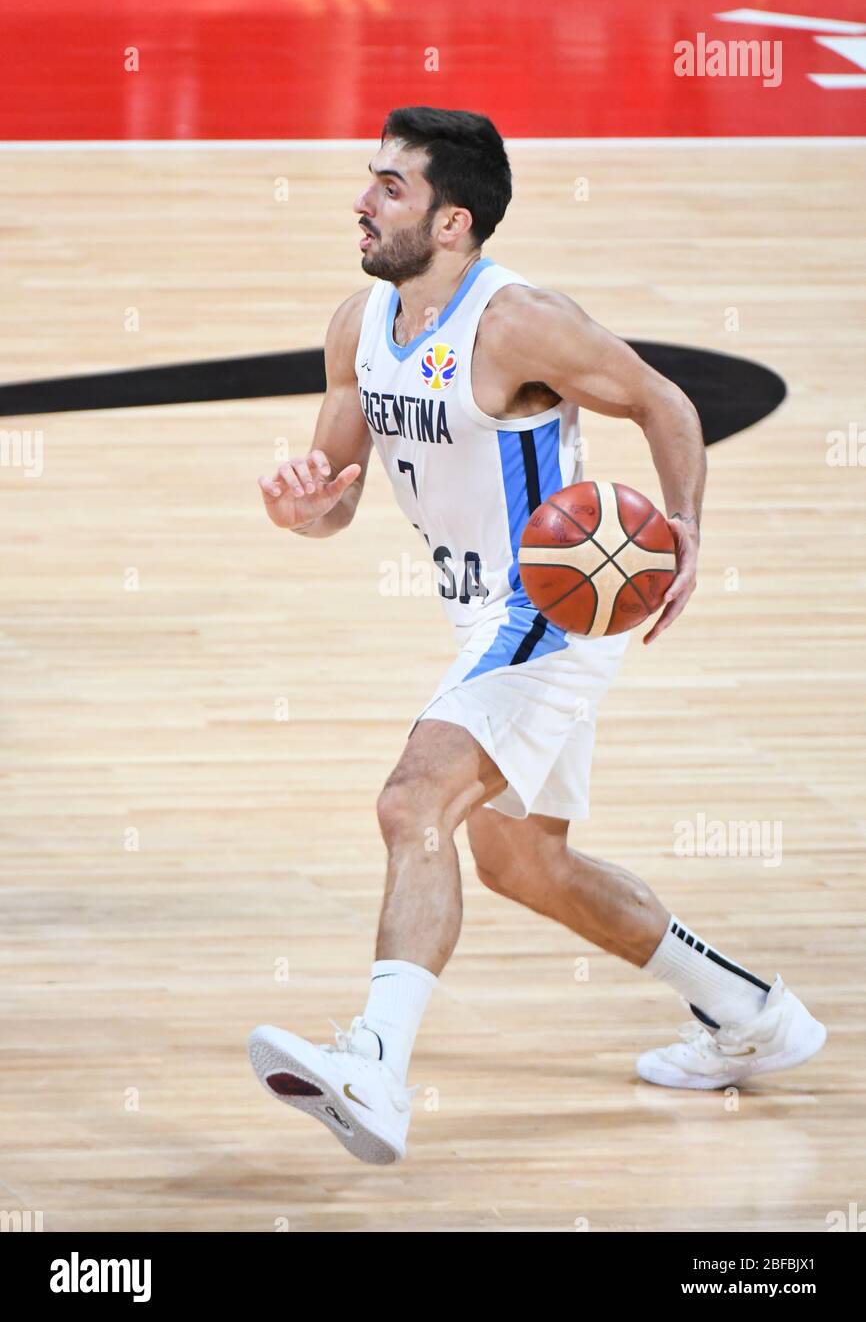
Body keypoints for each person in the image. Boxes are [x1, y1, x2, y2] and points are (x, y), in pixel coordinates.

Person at [248, 107, 825, 1165]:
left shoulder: (517, 323)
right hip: (477, 614)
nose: (361, 202)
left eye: (389, 187)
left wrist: (684, 525)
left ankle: (375, 1066)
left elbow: (660, 398)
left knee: (411, 797)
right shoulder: (356, 327)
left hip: (551, 605)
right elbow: (334, 499)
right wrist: (303, 507)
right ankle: (752, 1013)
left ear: (453, 221)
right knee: (524, 863)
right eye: (368, 180)